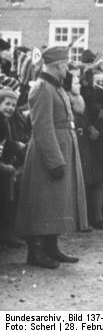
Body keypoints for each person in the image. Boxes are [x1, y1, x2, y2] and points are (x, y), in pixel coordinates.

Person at [15, 46, 88, 268]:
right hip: (47, 154)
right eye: (65, 65)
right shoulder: (42, 88)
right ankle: (35, 252)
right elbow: (42, 128)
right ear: (57, 65)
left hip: (60, 148)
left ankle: (51, 246)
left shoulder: (54, 87)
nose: (68, 69)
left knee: (55, 203)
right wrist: (55, 160)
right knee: (42, 203)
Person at [0, 88, 25, 249]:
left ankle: (7, 233)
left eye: (13, 105)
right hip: (2, 167)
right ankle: (5, 235)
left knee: (8, 200)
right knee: (5, 200)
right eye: (7, 104)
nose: (10, 108)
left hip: (4, 164)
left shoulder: (5, 120)